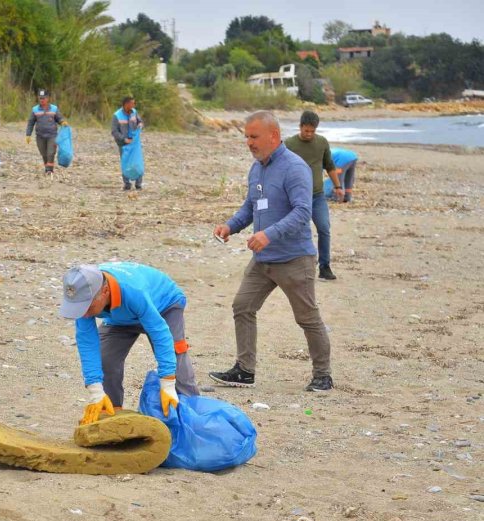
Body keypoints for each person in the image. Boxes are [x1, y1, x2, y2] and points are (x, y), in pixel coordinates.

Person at [210, 111, 333, 393]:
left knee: (307, 317)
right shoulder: (257, 168)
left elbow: (303, 212)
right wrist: (230, 227)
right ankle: (244, 370)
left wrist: (269, 234)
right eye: (246, 137)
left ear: (274, 136)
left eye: (254, 137)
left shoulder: (294, 167)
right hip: (263, 260)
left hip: (294, 259)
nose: (249, 143)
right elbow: (250, 208)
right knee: (242, 306)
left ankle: (323, 375)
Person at [59, 262, 199, 425]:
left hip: (163, 305)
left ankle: (192, 417)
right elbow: (87, 343)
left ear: (104, 291)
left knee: (174, 356)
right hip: (120, 316)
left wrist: (167, 383)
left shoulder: (134, 291)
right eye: (78, 307)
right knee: (106, 359)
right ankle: (111, 415)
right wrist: (95, 391)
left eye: (88, 307)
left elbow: (160, 333)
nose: (83, 313)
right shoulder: (85, 296)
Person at [284, 111, 343, 281]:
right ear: (300, 126)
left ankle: (324, 267)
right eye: (306, 131)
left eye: (312, 131)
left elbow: (329, 166)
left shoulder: (322, 143)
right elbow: (281, 168)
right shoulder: (289, 144)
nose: (309, 134)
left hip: (317, 196)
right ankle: (292, 265)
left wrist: (338, 187)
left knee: (324, 228)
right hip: (295, 198)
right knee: (296, 232)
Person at [25, 90, 67, 174]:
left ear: (47, 98)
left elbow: (59, 118)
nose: (42, 100)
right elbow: (31, 123)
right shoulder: (35, 109)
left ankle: (49, 170)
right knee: (44, 154)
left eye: (43, 98)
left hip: (52, 135)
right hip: (40, 136)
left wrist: (62, 122)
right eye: (40, 98)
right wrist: (28, 134)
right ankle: (47, 167)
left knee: (50, 152)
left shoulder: (54, 108)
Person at [111, 96, 144, 191]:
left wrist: (140, 124)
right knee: (125, 163)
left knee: (137, 162)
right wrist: (124, 139)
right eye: (132, 103)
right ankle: (127, 184)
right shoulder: (117, 115)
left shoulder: (134, 112)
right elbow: (114, 131)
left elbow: (140, 121)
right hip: (123, 144)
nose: (134, 105)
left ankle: (138, 184)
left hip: (134, 142)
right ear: (126, 104)